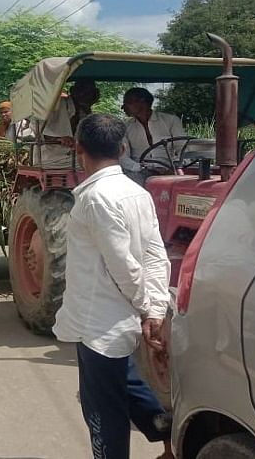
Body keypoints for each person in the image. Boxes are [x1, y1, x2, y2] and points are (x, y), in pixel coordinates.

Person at [53, 113, 172, 459]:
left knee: (102, 409)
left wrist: (147, 308)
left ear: (78, 150)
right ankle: (171, 440)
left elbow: (125, 268)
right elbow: (155, 256)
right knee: (128, 383)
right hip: (117, 323)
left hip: (99, 324)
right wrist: (154, 309)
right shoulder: (137, 193)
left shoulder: (95, 198)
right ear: (122, 148)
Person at [120, 87, 186, 172]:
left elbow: (183, 148)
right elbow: (122, 156)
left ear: (142, 102)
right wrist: (139, 168)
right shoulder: (125, 127)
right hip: (138, 173)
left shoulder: (171, 121)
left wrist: (178, 166)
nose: (123, 108)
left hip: (169, 171)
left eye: (127, 102)